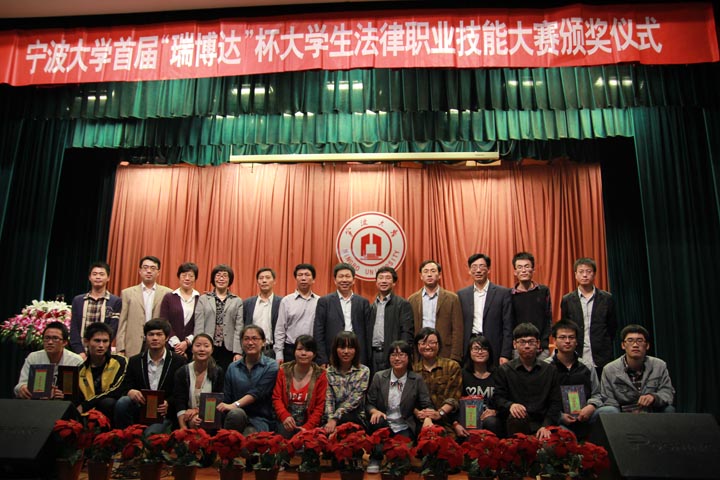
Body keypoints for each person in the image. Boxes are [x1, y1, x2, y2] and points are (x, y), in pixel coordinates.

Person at [365, 340, 434, 473]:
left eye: (402, 354)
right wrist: (374, 411)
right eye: (393, 355)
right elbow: (369, 403)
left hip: (404, 425)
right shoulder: (379, 377)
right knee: (377, 421)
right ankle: (376, 458)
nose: (397, 358)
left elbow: (427, 403)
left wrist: (427, 417)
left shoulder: (416, 379)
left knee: (399, 463)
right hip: (384, 422)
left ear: (408, 357)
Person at [114, 318, 187, 431]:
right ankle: (124, 438)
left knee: (150, 435)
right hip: (140, 409)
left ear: (167, 338)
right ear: (145, 337)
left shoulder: (178, 361)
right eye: (151, 334)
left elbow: (181, 391)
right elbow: (124, 386)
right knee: (123, 402)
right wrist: (130, 391)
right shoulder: (135, 361)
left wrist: (169, 403)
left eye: (159, 334)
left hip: (163, 414)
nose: (155, 338)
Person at [493, 323, 561, 440]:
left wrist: (546, 426)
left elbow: (555, 403)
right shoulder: (504, 370)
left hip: (542, 423)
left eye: (531, 342)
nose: (527, 346)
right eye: (522, 342)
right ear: (514, 344)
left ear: (538, 344)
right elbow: (498, 398)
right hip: (514, 423)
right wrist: (511, 405)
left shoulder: (550, 370)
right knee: (517, 417)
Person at [597, 324, 675, 414]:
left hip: (652, 412)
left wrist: (654, 397)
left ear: (647, 345)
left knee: (669, 409)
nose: (635, 345)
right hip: (623, 416)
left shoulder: (659, 365)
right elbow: (609, 401)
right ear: (623, 345)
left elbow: (667, 392)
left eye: (640, 341)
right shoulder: (609, 370)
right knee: (611, 411)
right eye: (630, 341)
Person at [560, 257, 618, 376]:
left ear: (594, 274)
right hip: (577, 353)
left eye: (588, 271)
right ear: (575, 275)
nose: (585, 275)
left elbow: (612, 327)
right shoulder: (567, 300)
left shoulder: (607, 298)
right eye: (581, 272)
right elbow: (566, 327)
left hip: (602, 355)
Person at [545, 320, 602, 439]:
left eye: (571, 337)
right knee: (564, 435)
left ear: (576, 341)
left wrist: (591, 406)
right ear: (554, 341)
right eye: (562, 337)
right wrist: (559, 416)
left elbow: (597, 394)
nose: (567, 341)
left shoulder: (587, 366)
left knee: (610, 411)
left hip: (586, 416)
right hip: (558, 420)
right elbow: (541, 400)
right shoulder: (545, 367)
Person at [217, 325, 278, 434]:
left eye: (255, 338)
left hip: (260, 418)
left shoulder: (271, 366)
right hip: (236, 415)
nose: (250, 343)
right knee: (236, 415)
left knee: (250, 436)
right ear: (241, 342)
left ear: (263, 342)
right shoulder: (233, 367)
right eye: (246, 339)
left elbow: (257, 392)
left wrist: (234, 405)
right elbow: (226, 398)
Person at [458, 253, 513, 365]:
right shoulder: (461, 295)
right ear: (469, 271)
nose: (478, 270)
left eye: (482, 266)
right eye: (474, 267)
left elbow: (508, 326)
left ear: (488, 269)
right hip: (470, 346)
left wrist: (505, 354)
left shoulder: (503, 293)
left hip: (494, 346)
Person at [314, 263, 370, 366]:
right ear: (335, 280)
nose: (344, 280)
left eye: (348, 276)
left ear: (353, 280)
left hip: (357, 355)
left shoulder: (363, 302)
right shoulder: (324, 301)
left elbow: (367, 332)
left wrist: (366, 357)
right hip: (332, 354)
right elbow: (318, 331)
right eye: (341, 276)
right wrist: (322, 358)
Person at [272, 335, 328, 437]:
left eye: (308, 350)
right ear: (294, 351)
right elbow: (276, 398)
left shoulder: (320, 375)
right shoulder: (283, 370)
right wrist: (284, 416)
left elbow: (320, 407)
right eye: (300, 349)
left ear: (314, 354)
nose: (303, 353)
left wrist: (307, 427)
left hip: (310, 424)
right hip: (285, 422)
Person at [116, 256, 172, 358]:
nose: (149, 271)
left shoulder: (167, 293)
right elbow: (122, 322)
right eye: (145, 268)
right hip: (133, 343)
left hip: (158, 342)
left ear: (158, 272)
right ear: (140, 271)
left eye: (153, 268)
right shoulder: (127, 293)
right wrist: (120, 347)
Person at [408, 260, 463, 362]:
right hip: (419, 351)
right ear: (421, 276)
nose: (429, 274)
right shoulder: (412, 299)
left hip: (445, 350)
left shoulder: (452, 298)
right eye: (426, 271)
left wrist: (455, 355)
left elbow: (457, 329)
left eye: (433, 271)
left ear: (439, 275)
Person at [366, 266, 414, 378]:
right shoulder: (371, 306)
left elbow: (407, 332)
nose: (384, 281)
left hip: (393, 353)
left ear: (394, 283)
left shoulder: (402, 304)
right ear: (376, 282)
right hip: (373, 354)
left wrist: (401, 354)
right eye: (380, 278)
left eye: (388, 278)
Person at [15, 321, 84, 399]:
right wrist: (22, 388)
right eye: (47, 338)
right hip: (37, 402)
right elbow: (20, 384)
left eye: (55, 338)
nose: (50, 342)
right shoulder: (33, 357)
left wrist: (68, 395)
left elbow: (83, 391)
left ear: (65, 342)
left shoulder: (76, 361)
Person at [194, 264, 244, 371]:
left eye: (225, 276)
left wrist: (238, 352)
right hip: (207, 346)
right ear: (213, 278)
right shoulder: (203, 299)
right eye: (218, 275)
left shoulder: (237, 301)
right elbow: (199, 325)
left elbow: (239, 327)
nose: (221, 278)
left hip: (228, 348)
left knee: (226, 376)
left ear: (230, 280)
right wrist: (198, 347)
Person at [412, 327, 462, 434]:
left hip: (447, 420)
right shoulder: (412, 370)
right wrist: (419, 414)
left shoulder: (452, 366)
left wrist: (439, 413)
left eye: (432, 343)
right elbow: (409, 400)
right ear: (417, 346)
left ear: (439, 345)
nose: (427, 346)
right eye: (423, 343)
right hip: (419, 421)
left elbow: (454, 397)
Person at [69, 261, 122, 357]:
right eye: (94, 274)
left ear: (108, 278)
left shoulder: (115, 301)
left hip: (103, 353)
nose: (98, 277)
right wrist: (80, 352)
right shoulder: (78, 300)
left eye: (101, 274)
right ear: (89, 277)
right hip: (80, 354)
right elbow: (74, 329)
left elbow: (113, 330)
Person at [453, 334, 501, 437]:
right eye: (476, 349)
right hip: (467, 420)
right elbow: (455, 400)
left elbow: (503, 399)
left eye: (484, 349)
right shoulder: (462, 374)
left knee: (491, 422)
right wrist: (456, 423)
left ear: (489, 352)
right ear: (469, 352)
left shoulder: (498, 374)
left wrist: (496, 411)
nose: (480, 352)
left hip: (491, 419)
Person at [174, 333, 225, 429]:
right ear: (192, 349)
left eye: (206, 346)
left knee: (198, 421)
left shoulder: (218, 372)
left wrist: (197, 411)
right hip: (186, 417)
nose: (202, 349)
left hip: (211, 416)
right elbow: (179, 402)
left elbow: (218, 401)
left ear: (212, 350)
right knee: (194, 421)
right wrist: (183, 428)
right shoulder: (182, 372)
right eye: (198, 345)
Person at [77, 322, 127, 419]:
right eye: (97, 341)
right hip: (87, 414)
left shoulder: (120, 361)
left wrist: (87, 404)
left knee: (108, 402)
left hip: (111, 409)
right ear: (86, 342)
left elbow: (116, 390)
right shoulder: (80, 370)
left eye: (105, 341)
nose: (101, 345)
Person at [323, 331, 370, 434]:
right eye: (342, 347)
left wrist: (335, 418)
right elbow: (329, 399)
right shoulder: (328, 372)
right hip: (331, 419)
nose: (346, 351)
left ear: (356, 350)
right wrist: (330, 419)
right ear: (335, 349)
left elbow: (355, 399)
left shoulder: (364, 371)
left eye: (350, 348)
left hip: (355, 417)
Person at [273, 263, 320, 363]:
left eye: (307, 275)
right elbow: (280, 329)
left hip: (312, 349)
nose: (303, 278)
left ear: (313, 279)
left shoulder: (320, 301)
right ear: (296, 278)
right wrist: (279, 353)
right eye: (300, 275)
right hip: (291, 349)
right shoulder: (286, 301)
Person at [510, 252, 552, 360]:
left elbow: (548, 319)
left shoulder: (543, 291)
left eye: (527, 266)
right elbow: (508, 323)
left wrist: (542, 343)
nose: (523, 270)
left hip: (541, 348)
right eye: (520, 267)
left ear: (533, 270)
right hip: (518, 349)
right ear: (515, 272)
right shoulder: (509, 295)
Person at [160, 262, 200, 358]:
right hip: (170, 346)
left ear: (195, 278)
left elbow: (200, 324)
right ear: (179, 276)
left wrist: (187, 342)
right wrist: (177, 344)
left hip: (192, 348)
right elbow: (164, 321)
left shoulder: (200, 299)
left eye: (191, 276)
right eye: (184, 275)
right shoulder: (169, 297)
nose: (187, 278)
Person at [243, 267, 283, 358]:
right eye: (261, 278)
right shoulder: (247, 303)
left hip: (273, 351)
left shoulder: (282, 303)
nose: (264, 281)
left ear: (274, 281)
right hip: (250, 350)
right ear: (257, 282)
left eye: (268, 278)